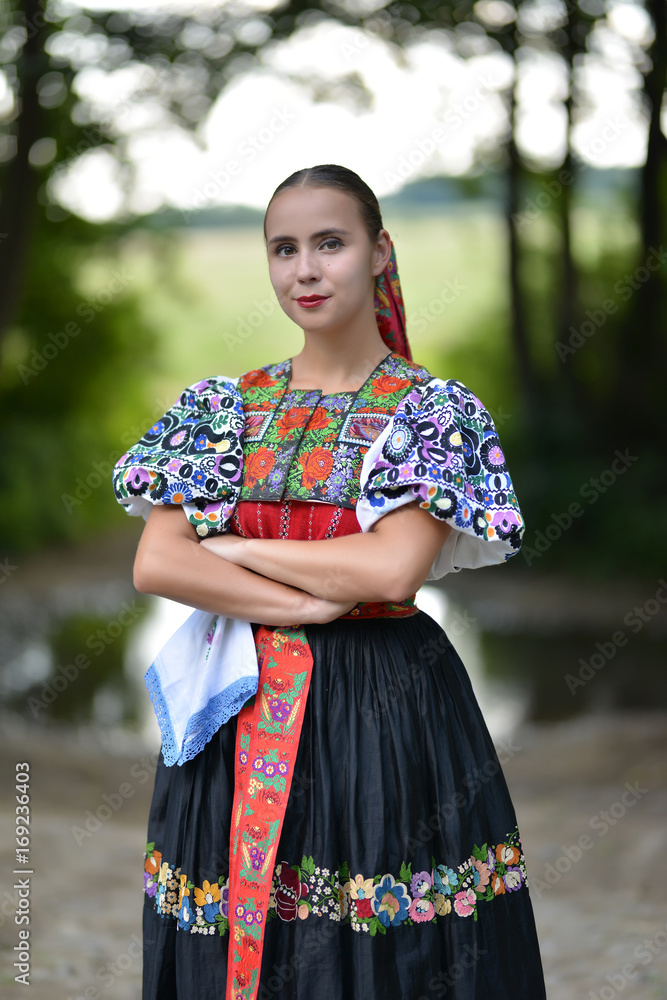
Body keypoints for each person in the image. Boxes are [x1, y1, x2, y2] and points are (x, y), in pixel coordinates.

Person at [112, 163, 547, 1000]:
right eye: (283, 249)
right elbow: (160, 563)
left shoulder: (431, 411)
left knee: (384, 933)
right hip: (233, 705)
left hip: (385, 703)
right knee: (240, 918)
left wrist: (233, 550)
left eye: (329, 243)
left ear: (380, 252)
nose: (304, 269)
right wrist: (306, 603)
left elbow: (390, 568)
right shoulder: (220, 408)